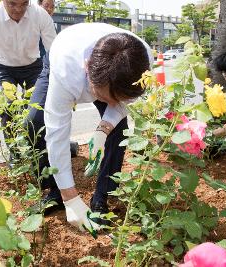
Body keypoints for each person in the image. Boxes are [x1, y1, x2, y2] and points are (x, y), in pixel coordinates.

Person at [28, 23, 152, 231]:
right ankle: (56, 191)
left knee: (119, 131)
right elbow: (56, 133)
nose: (111, 104)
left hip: (111, 76)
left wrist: (103, 129)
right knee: (35, 122)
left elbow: (122, 104)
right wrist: (71, 198)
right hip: (59, 58)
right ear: (87, 67)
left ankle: (102, 196)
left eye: (117, 100)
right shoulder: (66, 70)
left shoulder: (141, 64)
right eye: (104, 97)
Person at [0, 0, 58, 162]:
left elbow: (53, 49)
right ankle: (15, 156)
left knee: (37, 112)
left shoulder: (39, 14)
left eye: (23, 4)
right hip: (2, 67)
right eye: (12, 4)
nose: (18, 9)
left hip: (33, 66)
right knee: (8, 109)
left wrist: (60, 84)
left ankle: (39, 154)